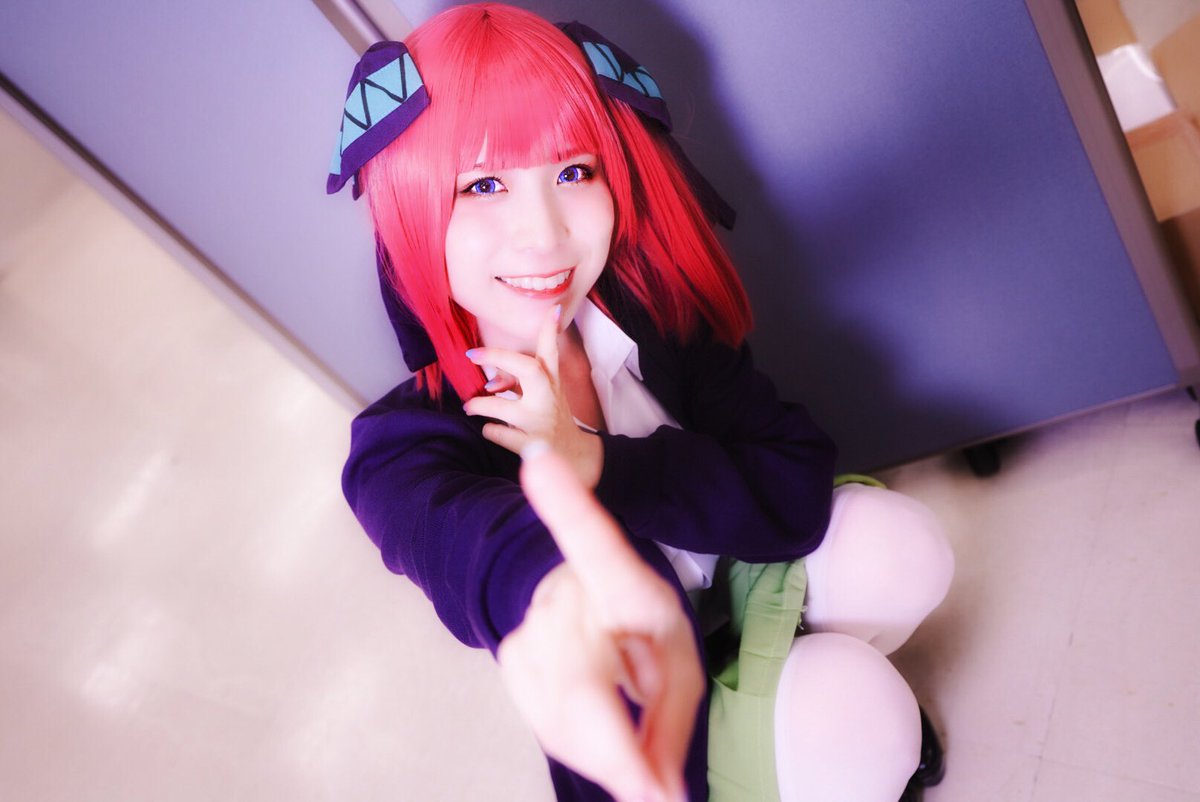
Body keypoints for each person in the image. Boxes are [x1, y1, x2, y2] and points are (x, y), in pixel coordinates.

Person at [330, 4, 955, 800]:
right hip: (666, 708)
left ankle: (812, 693)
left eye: (573, 172)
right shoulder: (402, 450)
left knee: (902, 549)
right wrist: (556, 588)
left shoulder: (653, 323)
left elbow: (795, 479)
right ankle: (826, 732)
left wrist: (600, 465)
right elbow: (481, 552)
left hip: (746, 577)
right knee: (861, 720)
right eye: (483, 184)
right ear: (409, 210)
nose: (544, 234)